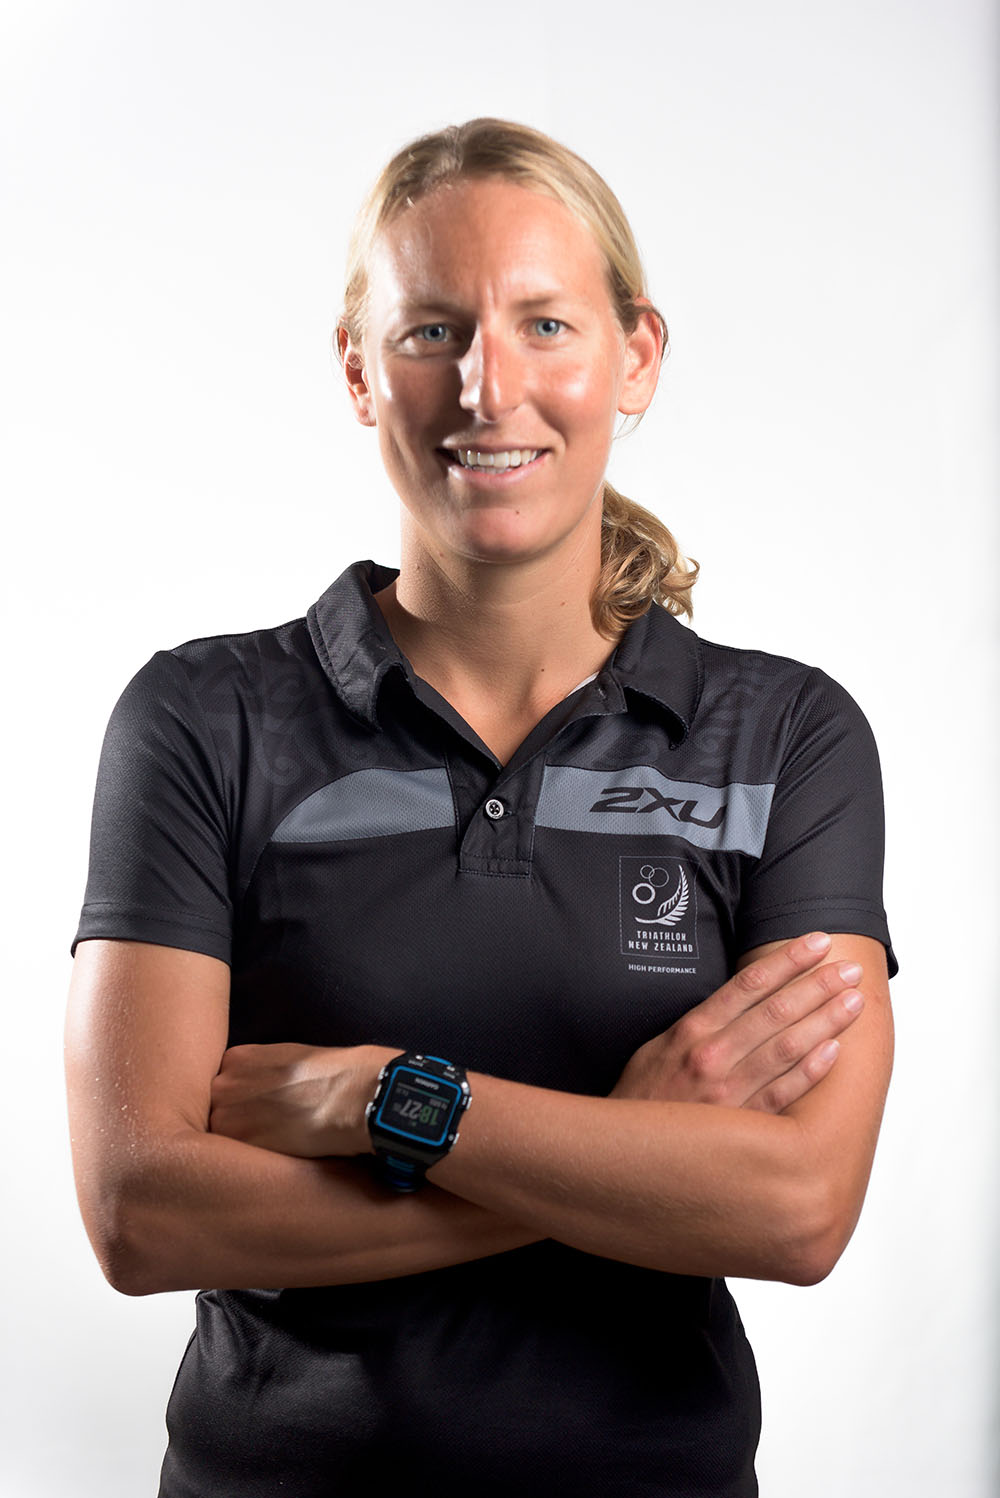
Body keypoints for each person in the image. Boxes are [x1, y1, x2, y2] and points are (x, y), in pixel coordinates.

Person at [65, 118, 896, 1497]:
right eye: (431, 332)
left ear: (637, 356)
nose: (488, 387)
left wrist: (382, 1097)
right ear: (358, 369)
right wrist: (626, 1143)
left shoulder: (787, 737)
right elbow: (140, 1209)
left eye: (546, 324)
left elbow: (799, 1207)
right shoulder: (203, 719)